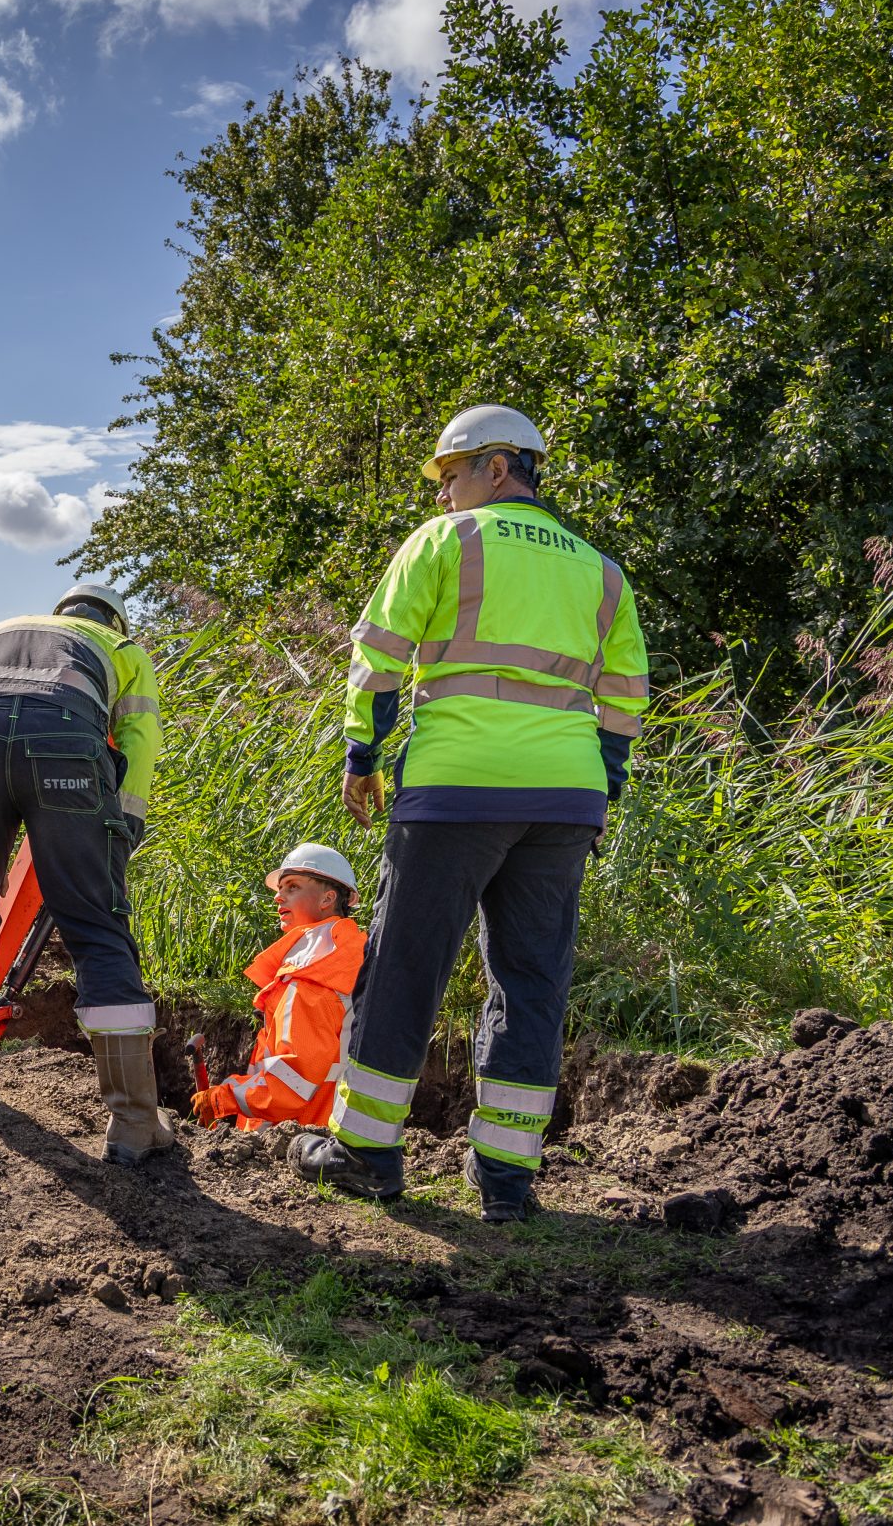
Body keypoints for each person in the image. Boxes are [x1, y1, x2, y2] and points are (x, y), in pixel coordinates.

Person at [291, 405, 650, 1221]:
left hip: (456, 786)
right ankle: (507, 1178)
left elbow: (379, 657)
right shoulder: (603, 572)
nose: (442, 491)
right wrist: (602, 787)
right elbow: (627, 696)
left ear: (497, 467)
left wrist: (361, 754)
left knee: (405, 965)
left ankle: (366, 1153)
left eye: (450, 473)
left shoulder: (444, 541)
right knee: (532, 980)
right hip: (564, 798)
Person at [0, 581, 170, 1163]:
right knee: (98, 928)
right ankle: (134, 1122)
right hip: (65, 753)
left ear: (61, 611)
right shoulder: (120, 647)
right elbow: (139, 740)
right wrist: (123, 826)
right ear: (114, 619)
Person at [190, 844, 365, 1132]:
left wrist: (222, 1098)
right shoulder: (347, 960)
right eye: (280, 888)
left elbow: (289, 1084)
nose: (278, 896)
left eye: (293, 887)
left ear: (328, 898)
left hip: (302, 1137)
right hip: (332, 1131)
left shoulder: (312, 978)